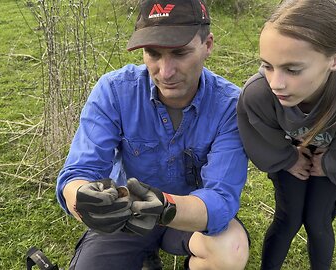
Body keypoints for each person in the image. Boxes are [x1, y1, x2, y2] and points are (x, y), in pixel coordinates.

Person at [56, 0, 250, 269]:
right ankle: (144, 256)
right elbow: (78, 173)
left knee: (230, 250)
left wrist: (164, 207)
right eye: (153, 53)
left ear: (208, 45)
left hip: (189, 219)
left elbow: (221, 199)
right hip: (124, 216)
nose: (166, 72)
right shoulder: (114, 91)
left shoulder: (230, 106)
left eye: (180, 53)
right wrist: (84, 198)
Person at [236, 0, 336, 269]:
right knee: (288, 218)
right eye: (268, 65)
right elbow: (256, 129)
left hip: (331, 166)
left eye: (292, 70)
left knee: (318, 221)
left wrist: (329, 164)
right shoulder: (258, 92)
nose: (276, 83)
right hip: (291, 157)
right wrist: (286, 158)